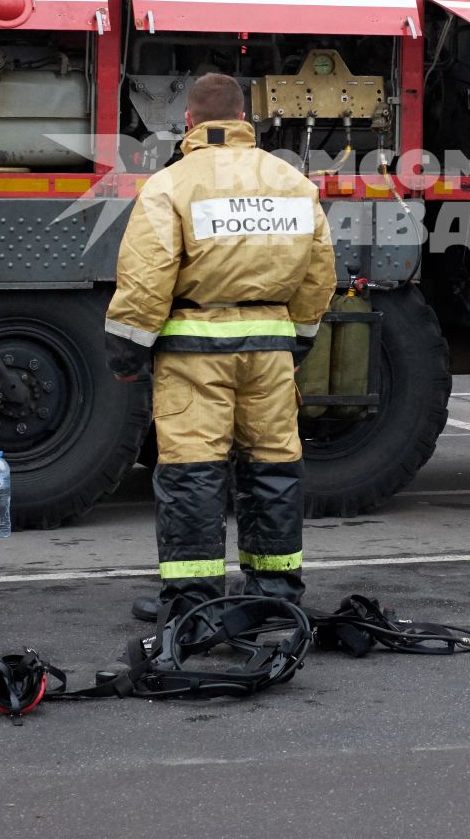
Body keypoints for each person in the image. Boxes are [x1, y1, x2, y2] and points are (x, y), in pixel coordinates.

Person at [105, 72, 336, 618]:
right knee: (273, 470)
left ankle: (193, 603)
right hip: (270, 353)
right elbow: (319, 273)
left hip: (193, 356)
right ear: (244, 120)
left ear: (189, 122)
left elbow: (147, 278)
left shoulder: (170, 186)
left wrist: (126, 351)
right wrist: (299, 337)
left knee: (193, 473)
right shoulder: (293, 183)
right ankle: (276, 598)